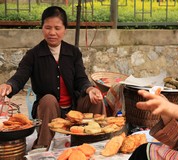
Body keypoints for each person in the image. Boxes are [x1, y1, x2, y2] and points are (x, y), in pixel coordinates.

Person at [0, 6, 106, 149]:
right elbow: (20, 76)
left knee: (96, 99)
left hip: (74, 107)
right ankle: (42, 147)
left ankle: (93, 143)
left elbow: (81, 79)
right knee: (49, 99)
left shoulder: (73, 52)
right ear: (42, 28)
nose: (52, 33)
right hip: (48, 108)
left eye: (57, 28)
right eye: (48, 27)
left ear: (65, 29)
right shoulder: (33, 54)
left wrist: (90, 89)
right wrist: (9, 85)